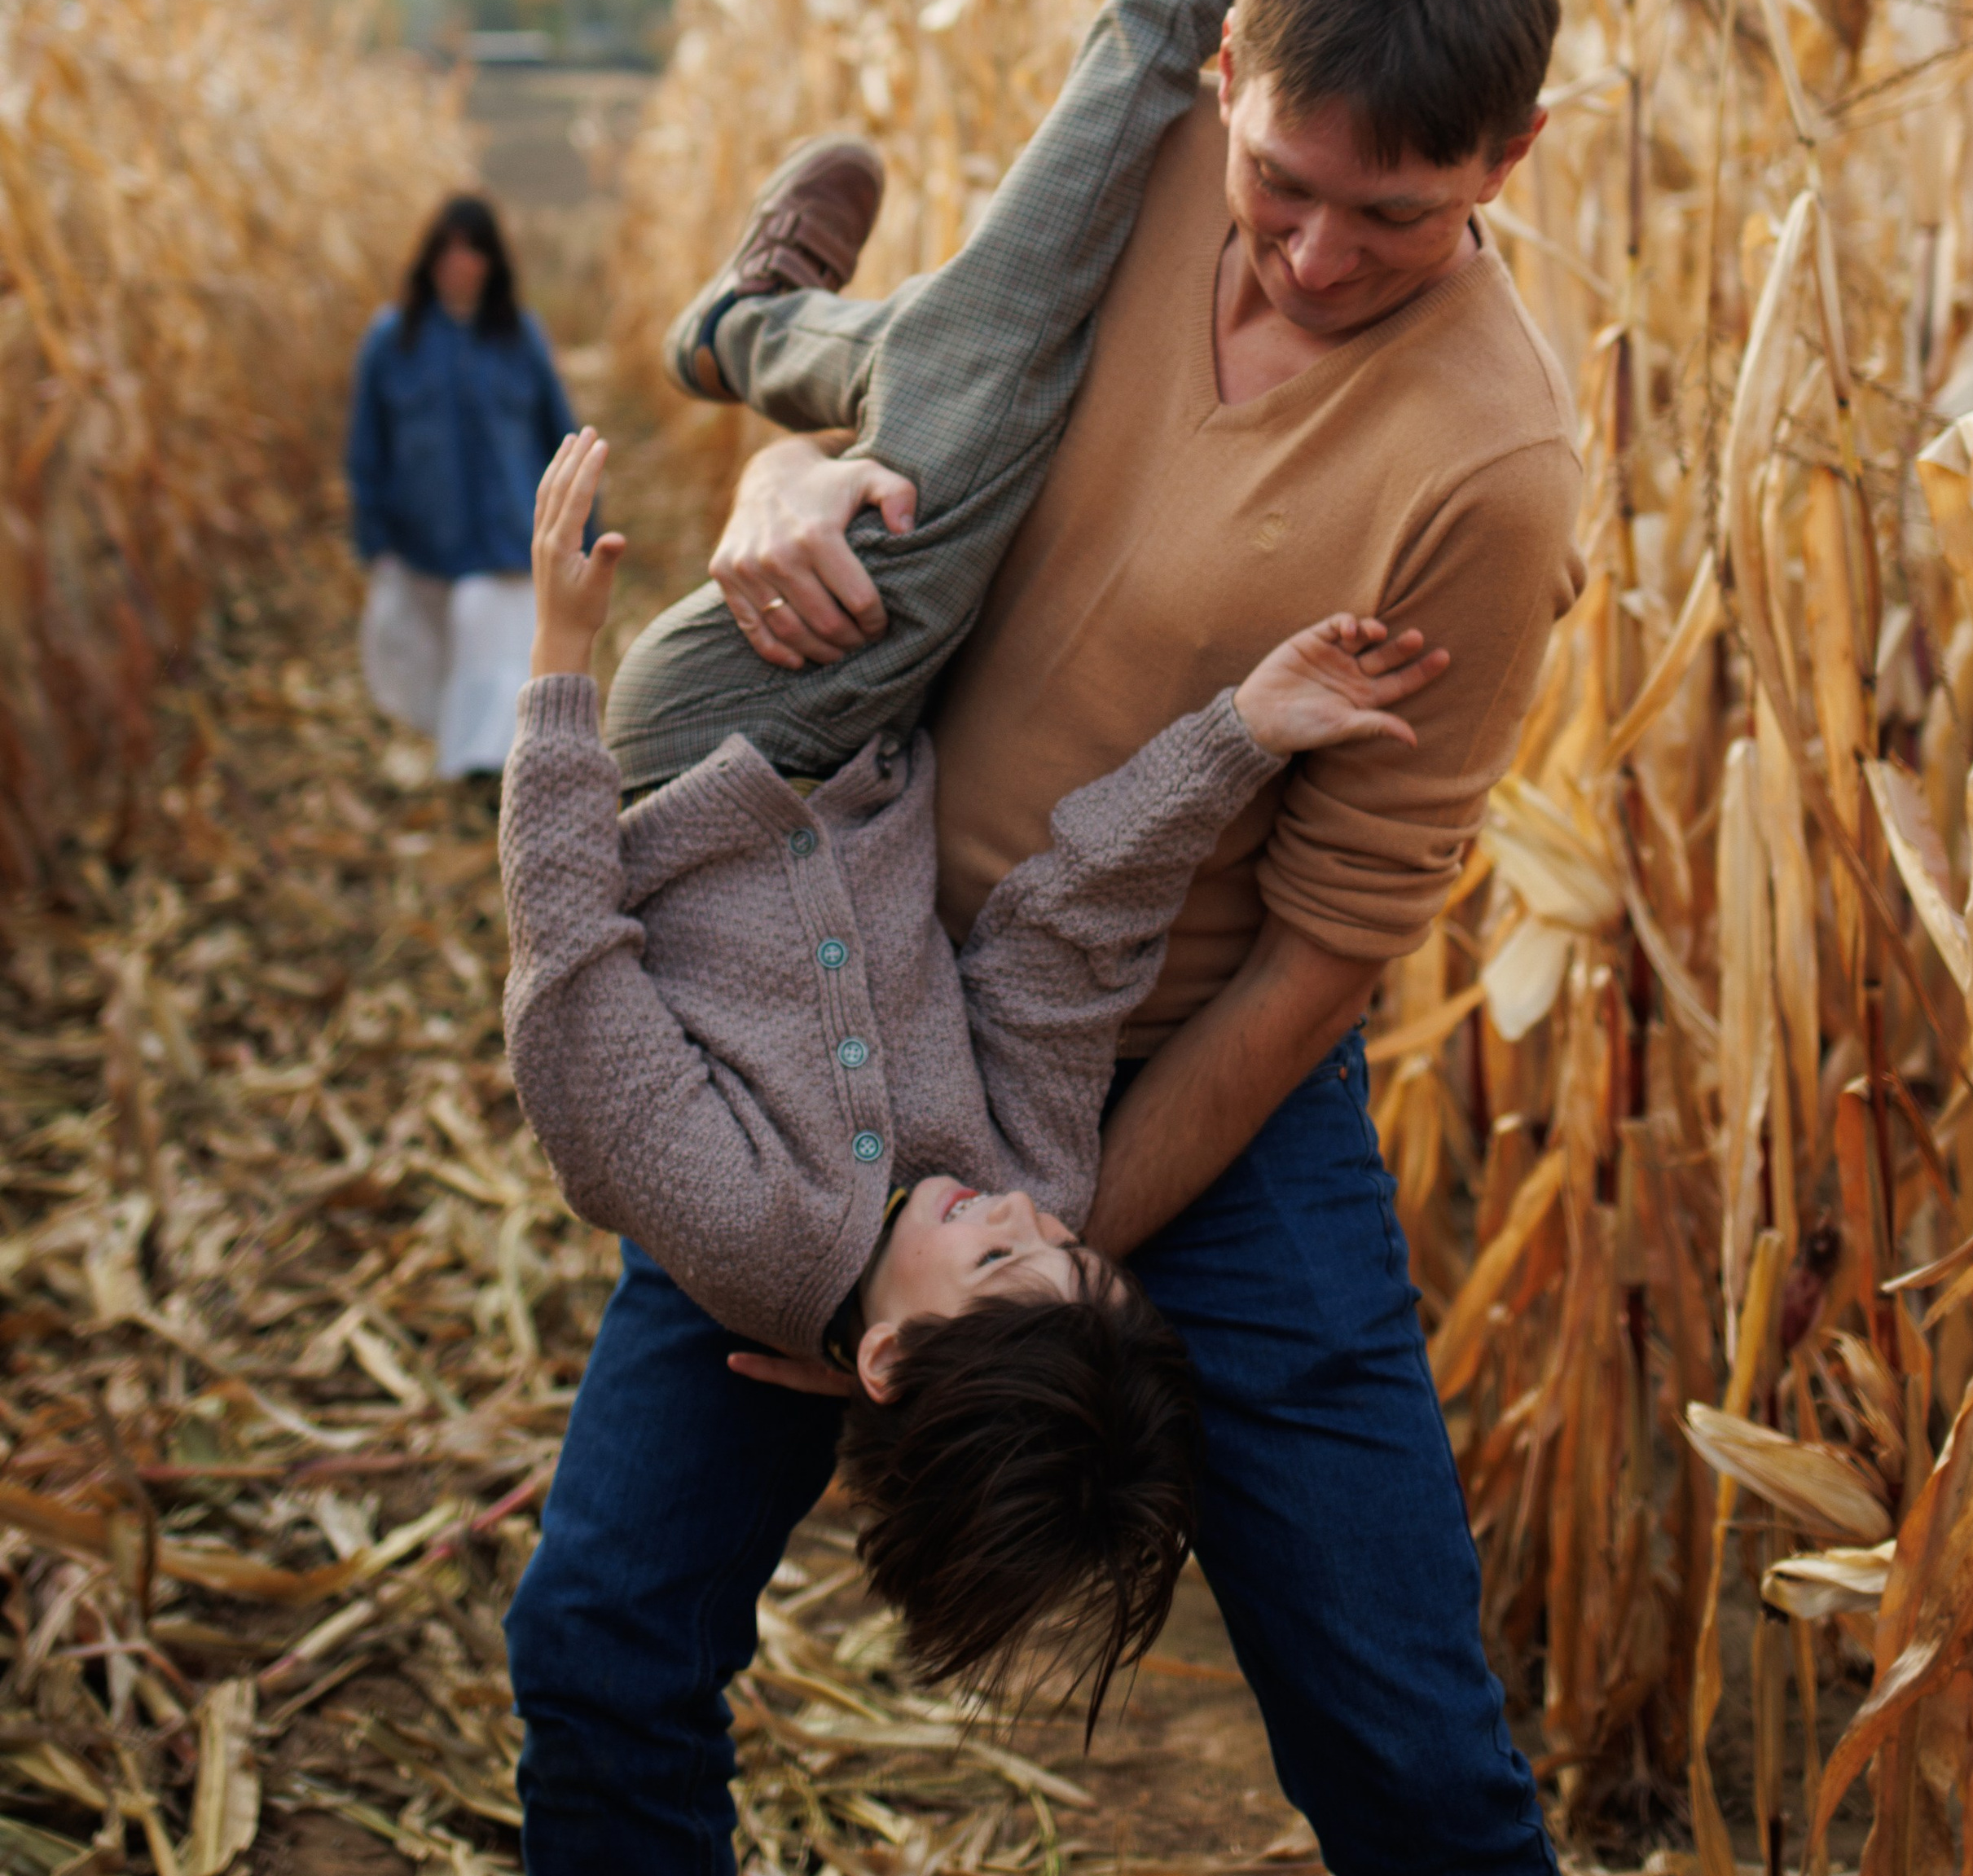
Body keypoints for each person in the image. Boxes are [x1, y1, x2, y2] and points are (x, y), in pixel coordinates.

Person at [505, 0, 1591, 1876]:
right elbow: (946, 390)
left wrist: (1025, 1228)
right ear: (1228, 78)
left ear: (1513, 157)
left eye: (1394, 217)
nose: (1315, 254)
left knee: (1404, 1753)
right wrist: (781, 487)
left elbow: (1324, 944)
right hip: (839, 1019)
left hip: (1186, 1078)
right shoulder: (1147, 175)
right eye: (1283, 185)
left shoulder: (1488, 463)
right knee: (604, 1643)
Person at [505, 424, 1441, 1726]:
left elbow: (570, 972)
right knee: (958, 436)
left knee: (981, 379)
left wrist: (558, 661)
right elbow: (1064, 941)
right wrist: (1237, 737)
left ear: (884, 1361)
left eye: (1003, 1257)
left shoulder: (736, 1218)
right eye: (1062, 1245)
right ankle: (771, 337)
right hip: (872, 730)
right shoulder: (1032, 1176)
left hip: (693, 752)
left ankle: (746, 329)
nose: (1023, 1212)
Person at [346, 195, 578, 780]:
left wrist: (578, 530)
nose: (459, 262)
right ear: (428, 258)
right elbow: (367, 446)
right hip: (424, 538)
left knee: (491, 648)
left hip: (506, 535)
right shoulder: (392, 339)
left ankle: (484, 771)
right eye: (448, 249)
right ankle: (464, 755)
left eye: (473, 249)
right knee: (436, 659)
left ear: (492, 261)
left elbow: (558, 433)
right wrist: (375, 538)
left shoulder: (519, 336)